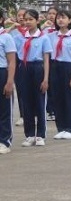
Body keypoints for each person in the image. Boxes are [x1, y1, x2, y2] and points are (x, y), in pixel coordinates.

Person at [13, 9, 52, 147]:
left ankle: (40, 135)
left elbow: (46, 60)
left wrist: (46, 79)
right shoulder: (19, 38)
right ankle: (29, 134)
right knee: (26, 102)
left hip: (37, 68)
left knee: (39, 101)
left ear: (37, 20)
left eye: (31, 19)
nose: (28, 22)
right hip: (23, 68)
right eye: (26, 19)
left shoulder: (43, 38)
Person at [47, 10, 71, 140]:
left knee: (69, 99)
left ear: (69, 20)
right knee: (57, 98)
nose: (60, 20)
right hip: (55, 66)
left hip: (68, 67)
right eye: (58, 18)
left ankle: (70, 128)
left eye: (63, 18)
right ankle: (61, 128)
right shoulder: (52, 36)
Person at [0, 10, 15, 154]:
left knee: (4, 108)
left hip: (2, 72)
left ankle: (4, 141)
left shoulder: (6, 37)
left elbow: (11, 61)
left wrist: (10, 81)